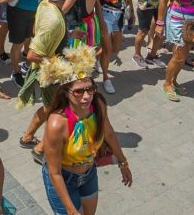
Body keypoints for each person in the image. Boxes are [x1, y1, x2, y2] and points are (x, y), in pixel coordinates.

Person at [41, 47, 132, 214]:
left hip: (89, 173)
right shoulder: (57, 124)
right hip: (64, 179)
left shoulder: (98, 104)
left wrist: (123, 162)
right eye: (78, 91)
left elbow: (109, 134)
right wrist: (71, 210)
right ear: (66, 92)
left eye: (90, 89)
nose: (86, 96)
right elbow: (54, 173)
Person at [17, 0, 78, 165]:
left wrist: (68, 35)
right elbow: (32, 55)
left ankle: (27, 137)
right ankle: (41, 149)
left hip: (50, 71)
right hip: (51, 74)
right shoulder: (53, 20)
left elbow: (40, 30)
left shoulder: (45, 4)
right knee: (60, 113)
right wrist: (59, 66)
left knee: (48, 107)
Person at [97, 0, 133, 94]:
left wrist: (131, 14)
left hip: (119, 15)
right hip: (105, 13)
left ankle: (98, 58)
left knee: (115, 48)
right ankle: (106, 78)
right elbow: (97, 1)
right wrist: (101, 23)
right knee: (108, 49)